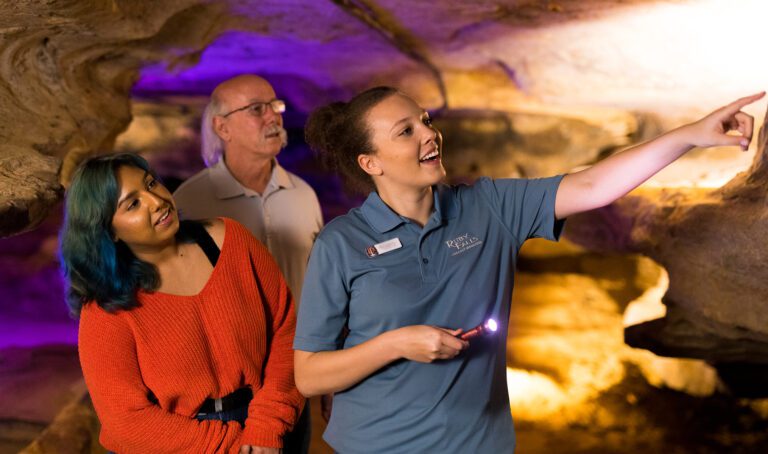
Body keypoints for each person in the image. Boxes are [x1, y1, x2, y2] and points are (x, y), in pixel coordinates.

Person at [293, 86, 764, 452]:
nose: (429, 134)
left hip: (480, 445)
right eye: (406, 131)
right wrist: (396, 343)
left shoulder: (489, 206)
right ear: (369, 162)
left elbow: (595, 185)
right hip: (379, 447)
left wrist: (690, 135)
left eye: (426, 120)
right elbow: (310, 375)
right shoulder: (342, 243)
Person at [60, 153, 304, 454]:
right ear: (109, 230)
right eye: (133, 204)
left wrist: (267, 427)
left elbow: (287, 330)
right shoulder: (106, 308)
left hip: (269, 423)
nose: (157, 201)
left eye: (151, 184)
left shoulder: (231, 240)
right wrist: (233, 445)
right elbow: (126, 422)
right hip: (178, 444)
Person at [173, 74, 322, 450]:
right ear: (221, 126)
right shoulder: (190, 203)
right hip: (225, 394)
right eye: (257, 109)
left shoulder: (303, 196)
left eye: (276, 106)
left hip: (293, 379)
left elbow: (318, 287)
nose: (273, 116)